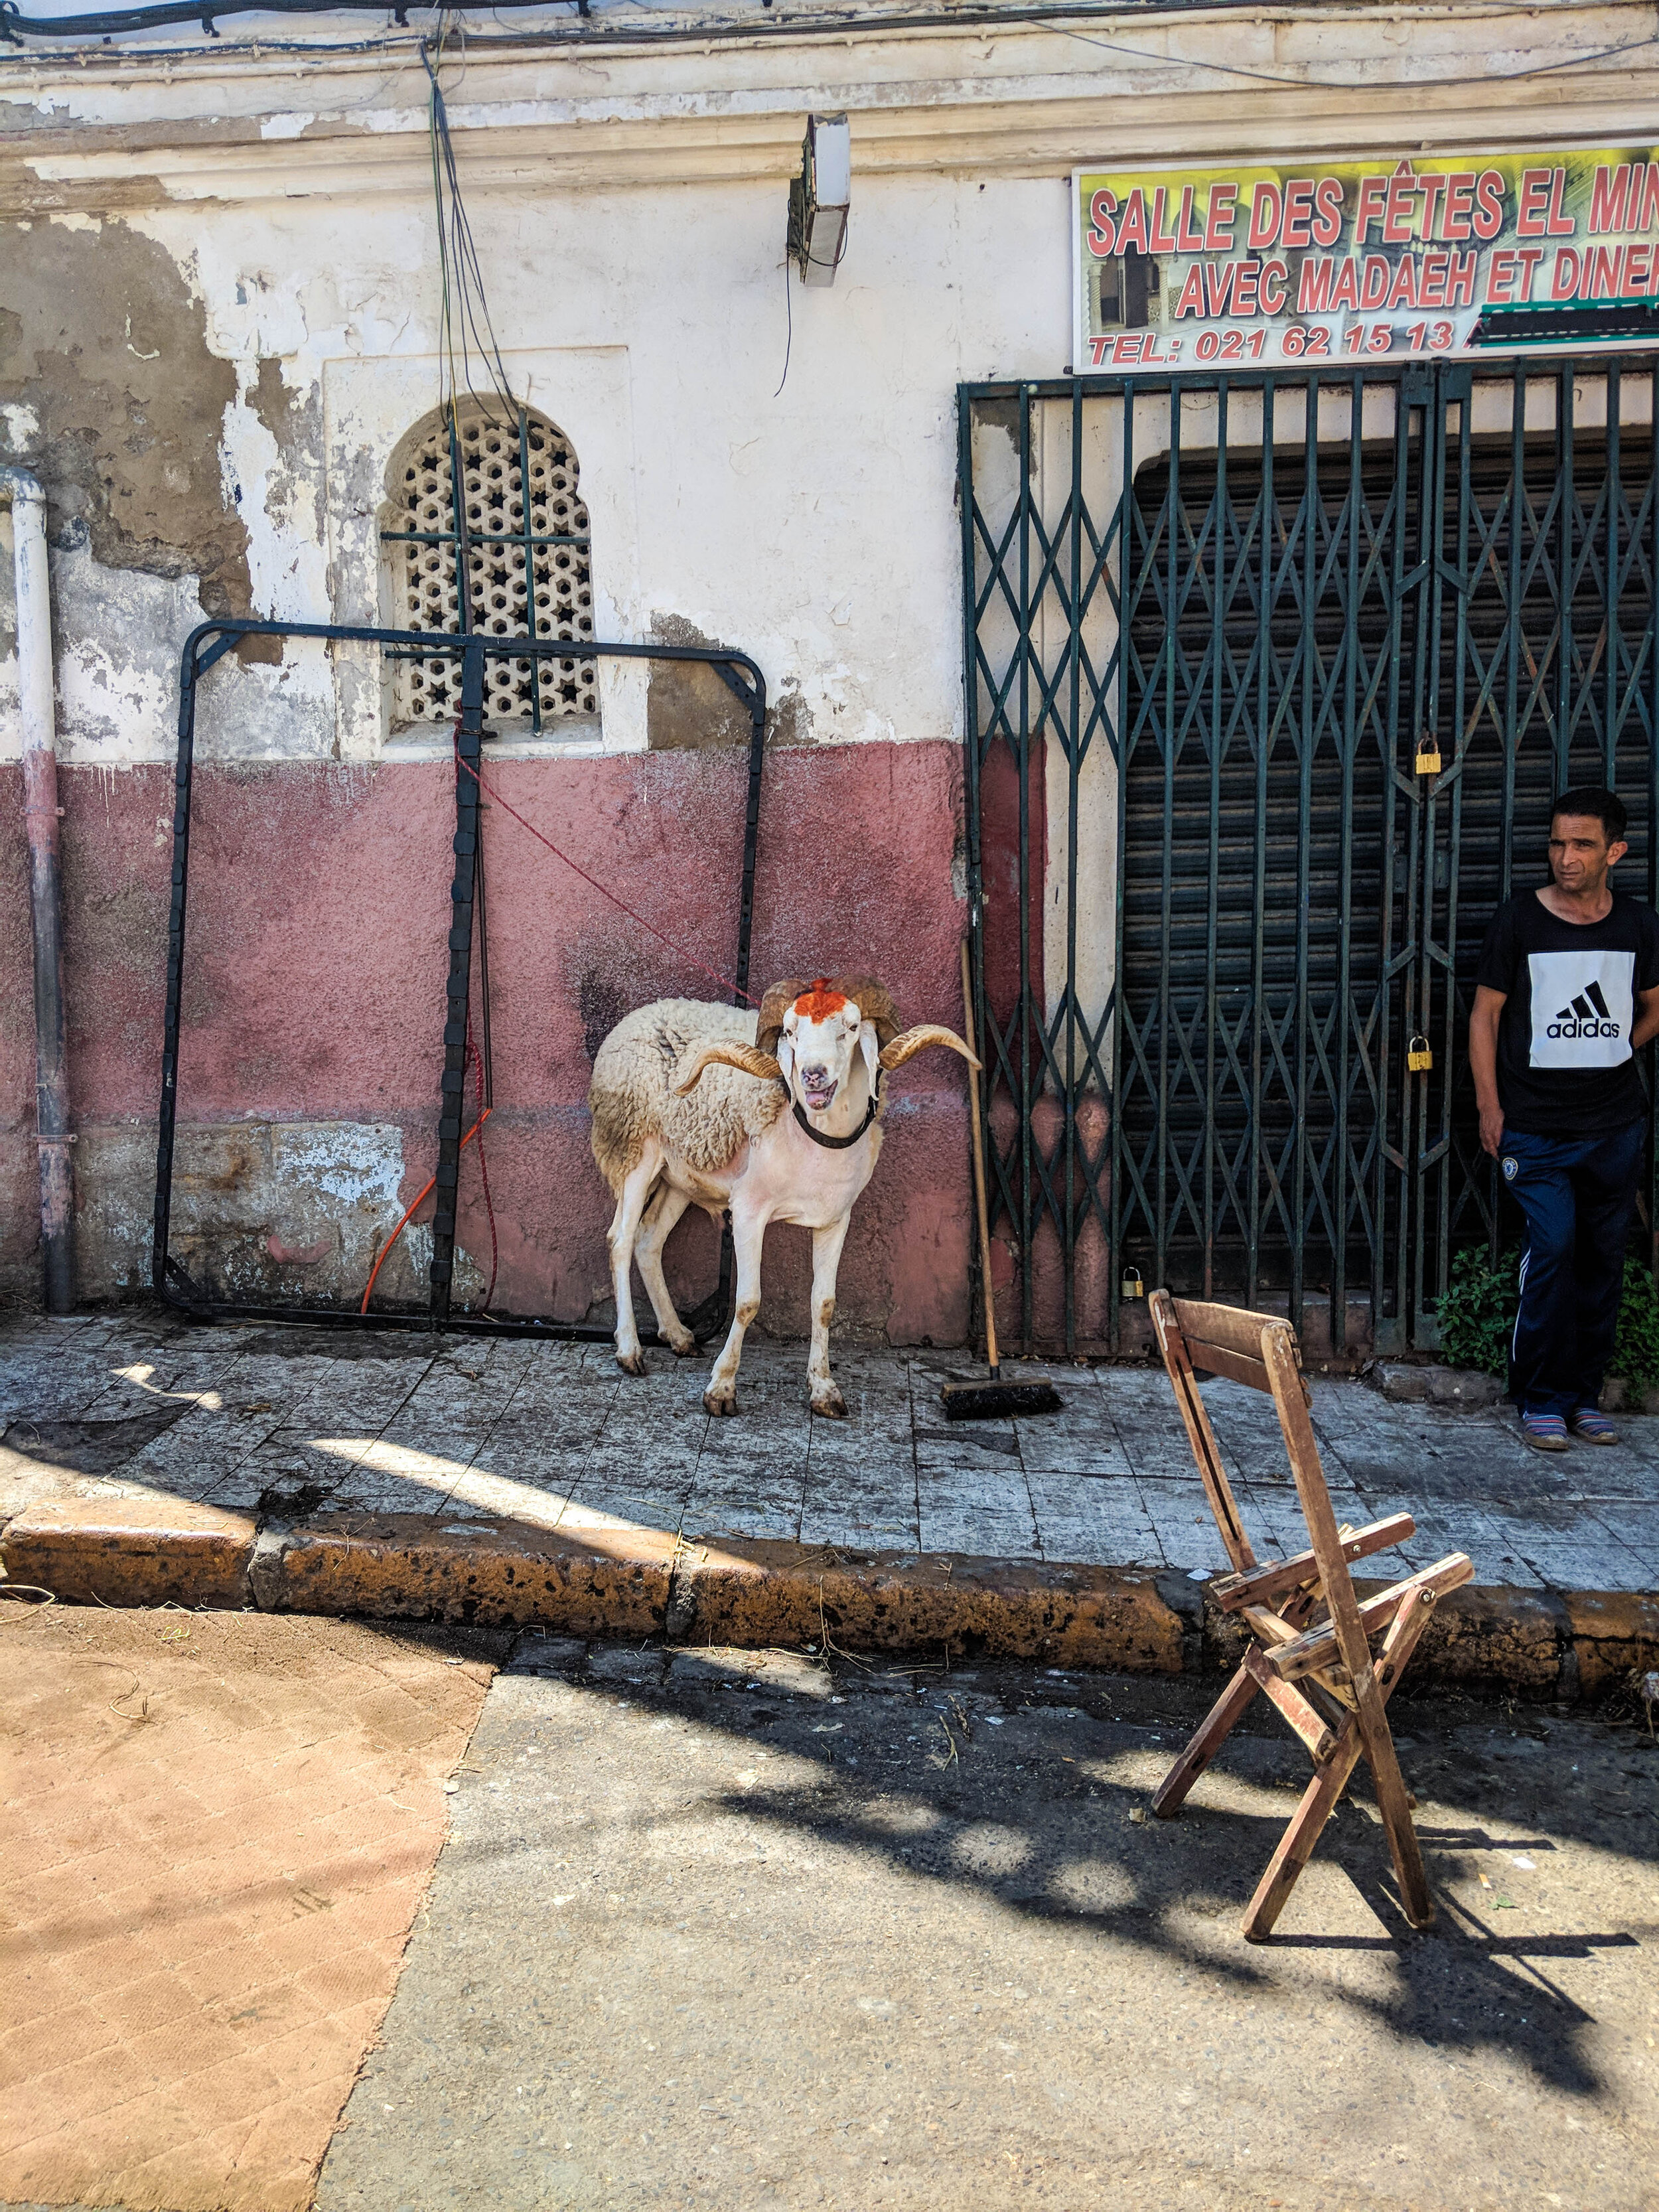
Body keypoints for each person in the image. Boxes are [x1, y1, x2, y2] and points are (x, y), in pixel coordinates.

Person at [1469, 788, 1659, 1449]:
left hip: (1613, 1126)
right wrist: (1490, 1107)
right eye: (1557, 842)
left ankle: (1584, 1397)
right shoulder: (1521, 919)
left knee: (1602, 1260)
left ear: (1615, 851)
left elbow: (1655, 1006)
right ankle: (1540, 1397)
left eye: (1581, 844)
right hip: (1534, 1128)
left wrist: (1616, 1048)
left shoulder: (1636, 923)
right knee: (1551, 1250)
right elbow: (1484, 1017)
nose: (1565, 857)